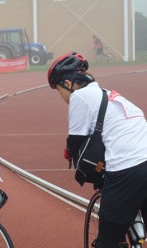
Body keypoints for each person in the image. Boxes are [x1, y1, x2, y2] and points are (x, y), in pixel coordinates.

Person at [48, 51, 147, 248]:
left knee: (108, 241)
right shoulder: (107, 94)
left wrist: (68, 151)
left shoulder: (80, 96)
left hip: (126, 169)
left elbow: (76, 140)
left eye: (59, 91)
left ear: (67, 84)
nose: (61, 97)